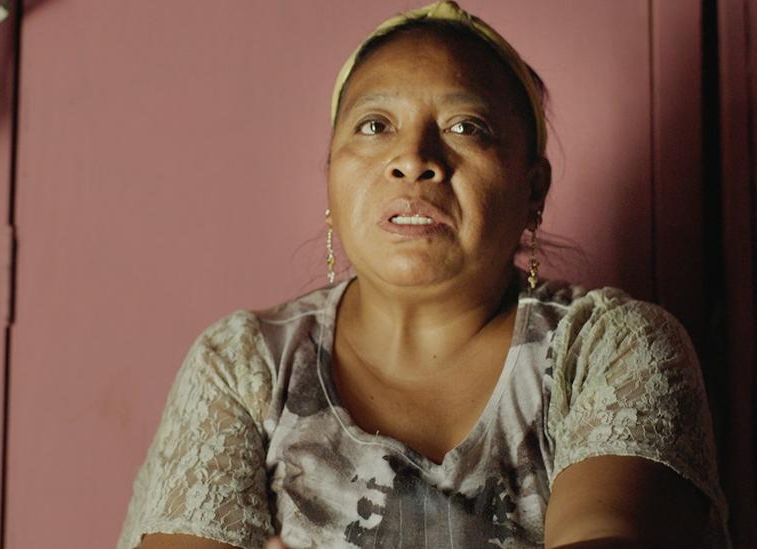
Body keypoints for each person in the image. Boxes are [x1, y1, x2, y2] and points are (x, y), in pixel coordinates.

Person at [118, 2, 729, 547]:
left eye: (467, 128)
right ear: (331, 176)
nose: (413, 159)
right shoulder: (244, 363)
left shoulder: (609, 349)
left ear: (532, 190)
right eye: (375, 126)